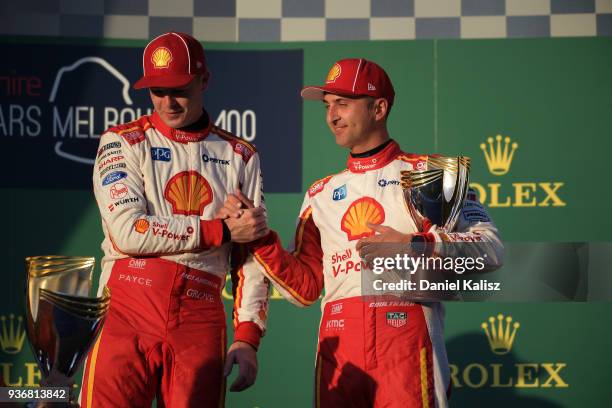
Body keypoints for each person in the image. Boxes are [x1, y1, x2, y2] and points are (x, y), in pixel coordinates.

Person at [223, 58, 503, 407]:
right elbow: (306, 289)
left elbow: (490, 251)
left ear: (379, 108)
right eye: (327, 106)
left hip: (407, 338)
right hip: (339, 345)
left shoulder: (431, 173)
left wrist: (413, 244)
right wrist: (260, 238)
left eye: (343, 103)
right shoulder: (319, 194)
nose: (332, 116)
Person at [81, 32, 270, 407]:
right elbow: (129, 232)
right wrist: (219, 230)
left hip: (200, 315)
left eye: (179, 90)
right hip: (127, 306)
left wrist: (247, 337)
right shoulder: (122, 142)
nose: (167, 102)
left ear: (204, 80)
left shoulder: (240, 155)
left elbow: (250, 255)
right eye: (156, 91)